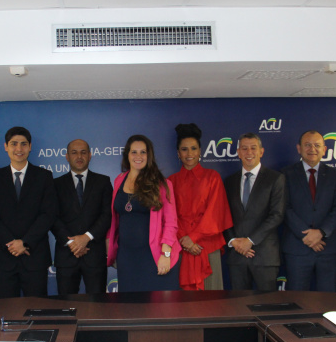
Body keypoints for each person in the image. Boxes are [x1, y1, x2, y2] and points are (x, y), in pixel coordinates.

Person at [0, 126, 57, 297]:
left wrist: (25, 242)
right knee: (7, 309)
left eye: (23, 144)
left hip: (34, 257)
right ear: (6, 147)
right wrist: (10, 243)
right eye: (14, 144)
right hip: (4, 257)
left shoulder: (44, 176)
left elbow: (48, 214)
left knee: (37, 308)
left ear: (30, 147)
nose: (19, 148)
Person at [107, 135, 182, 291]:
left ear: (149, 155)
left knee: (159, 304)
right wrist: (112, 250)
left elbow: (171, 222)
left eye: (143, 152)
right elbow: (116, 220)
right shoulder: (119, 180)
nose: (138, 156)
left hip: (155, 256)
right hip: (127, 257)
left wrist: (165, 255)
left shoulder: (162, 184)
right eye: (134, 152)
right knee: (129, 303)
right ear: (127, 155)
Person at [168, 124, 232, 290]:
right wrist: (185, 240)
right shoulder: (171, 181)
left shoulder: (212, 177)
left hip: (207, 245)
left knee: (212, 296)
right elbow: (169, 217)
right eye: (184, 149)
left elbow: (216, 213)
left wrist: (193, 237)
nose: (189, 153)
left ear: (200, 151)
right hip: (181, 246)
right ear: (178, 153)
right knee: (182, 298)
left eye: (193, 148)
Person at [281, 130, 336, 292]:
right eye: (307, 145)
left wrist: (321, 232)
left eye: (317, 145)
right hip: (297, 248)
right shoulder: (285, 174)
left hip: (328, 248)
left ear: (324, 149)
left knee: (328, 300)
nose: (312, 149)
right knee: (297, 299)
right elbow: (284, 207)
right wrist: (306, 235)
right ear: (299, 148)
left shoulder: (334, 174)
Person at [224, 133, 285, 292]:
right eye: (244, 148)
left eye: (253, 148)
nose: (249, 152)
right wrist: (234, 241)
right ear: (238, 152)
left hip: (264, 255)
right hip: (237, 256)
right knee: (238, 303)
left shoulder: (275, 178)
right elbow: (223, 215)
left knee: (267, 304)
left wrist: (250, 240)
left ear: (261, 151)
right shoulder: (229, 181)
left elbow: (277, 214)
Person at [52, 139, 113, 294]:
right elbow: (52, 217)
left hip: (94, 255)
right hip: (66, 256)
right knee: (66, 305)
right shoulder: (55, 184)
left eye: (83, 152)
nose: (79, 156)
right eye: (74, 152)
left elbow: (107, 215)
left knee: (98, 306)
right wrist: (72, 243)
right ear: (67, 156)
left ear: (90, 155)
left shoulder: (103, 182)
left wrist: (86, 237)